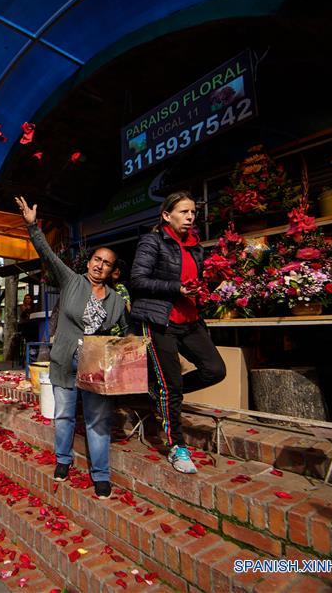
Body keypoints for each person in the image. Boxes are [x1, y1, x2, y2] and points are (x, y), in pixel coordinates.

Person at [15, 196, 127, 500]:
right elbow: (48, 255)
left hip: (94, 368)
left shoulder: (117, 301)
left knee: (97, 422)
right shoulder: (72, 281)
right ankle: (63, 461)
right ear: (89, 261)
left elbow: (123, 335)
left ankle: (101, 475)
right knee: (64, 416)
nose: (100, 266)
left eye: (107, 264)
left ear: (112, 271)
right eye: (97, 260)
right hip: (64, 362)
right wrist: (32, 226)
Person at [130, 192, 226, 475]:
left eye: (193, 212)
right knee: (171, 386)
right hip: (160, 321)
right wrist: (177, 288)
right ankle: (177, 446)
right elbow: (138, 280)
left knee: (214, 369)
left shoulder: (196, 247)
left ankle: (160, 394)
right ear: (166, 215)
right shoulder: (152, 241)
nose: (190, 217)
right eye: (184, 212)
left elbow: (193, 280)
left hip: (190, 320)